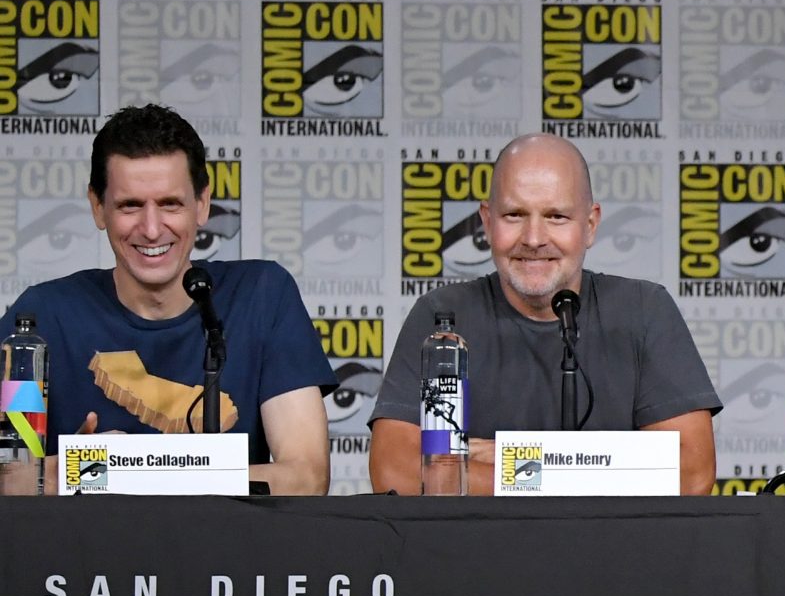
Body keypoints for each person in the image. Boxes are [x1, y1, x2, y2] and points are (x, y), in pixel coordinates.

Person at [1, 103, 330, 496]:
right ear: (98, 207)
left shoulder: (262, 295)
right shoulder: (41, 318)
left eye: (170, 204)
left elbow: (306, 477)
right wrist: (68, 473)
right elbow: (9, 478)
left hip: (221, 538)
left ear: (202, 204)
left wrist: (115, 470)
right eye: (130, 205)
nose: (152, 229)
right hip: (86, 539)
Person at [370, 133, 721, 496]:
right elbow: (395, 471)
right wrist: (598, 471)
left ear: (590, 225)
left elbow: (691, 473)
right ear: (487, 222)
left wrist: (516, 459)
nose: (534, 238)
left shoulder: (644, 310)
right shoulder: (442, 319)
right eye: (514, 215)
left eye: (556, 216)